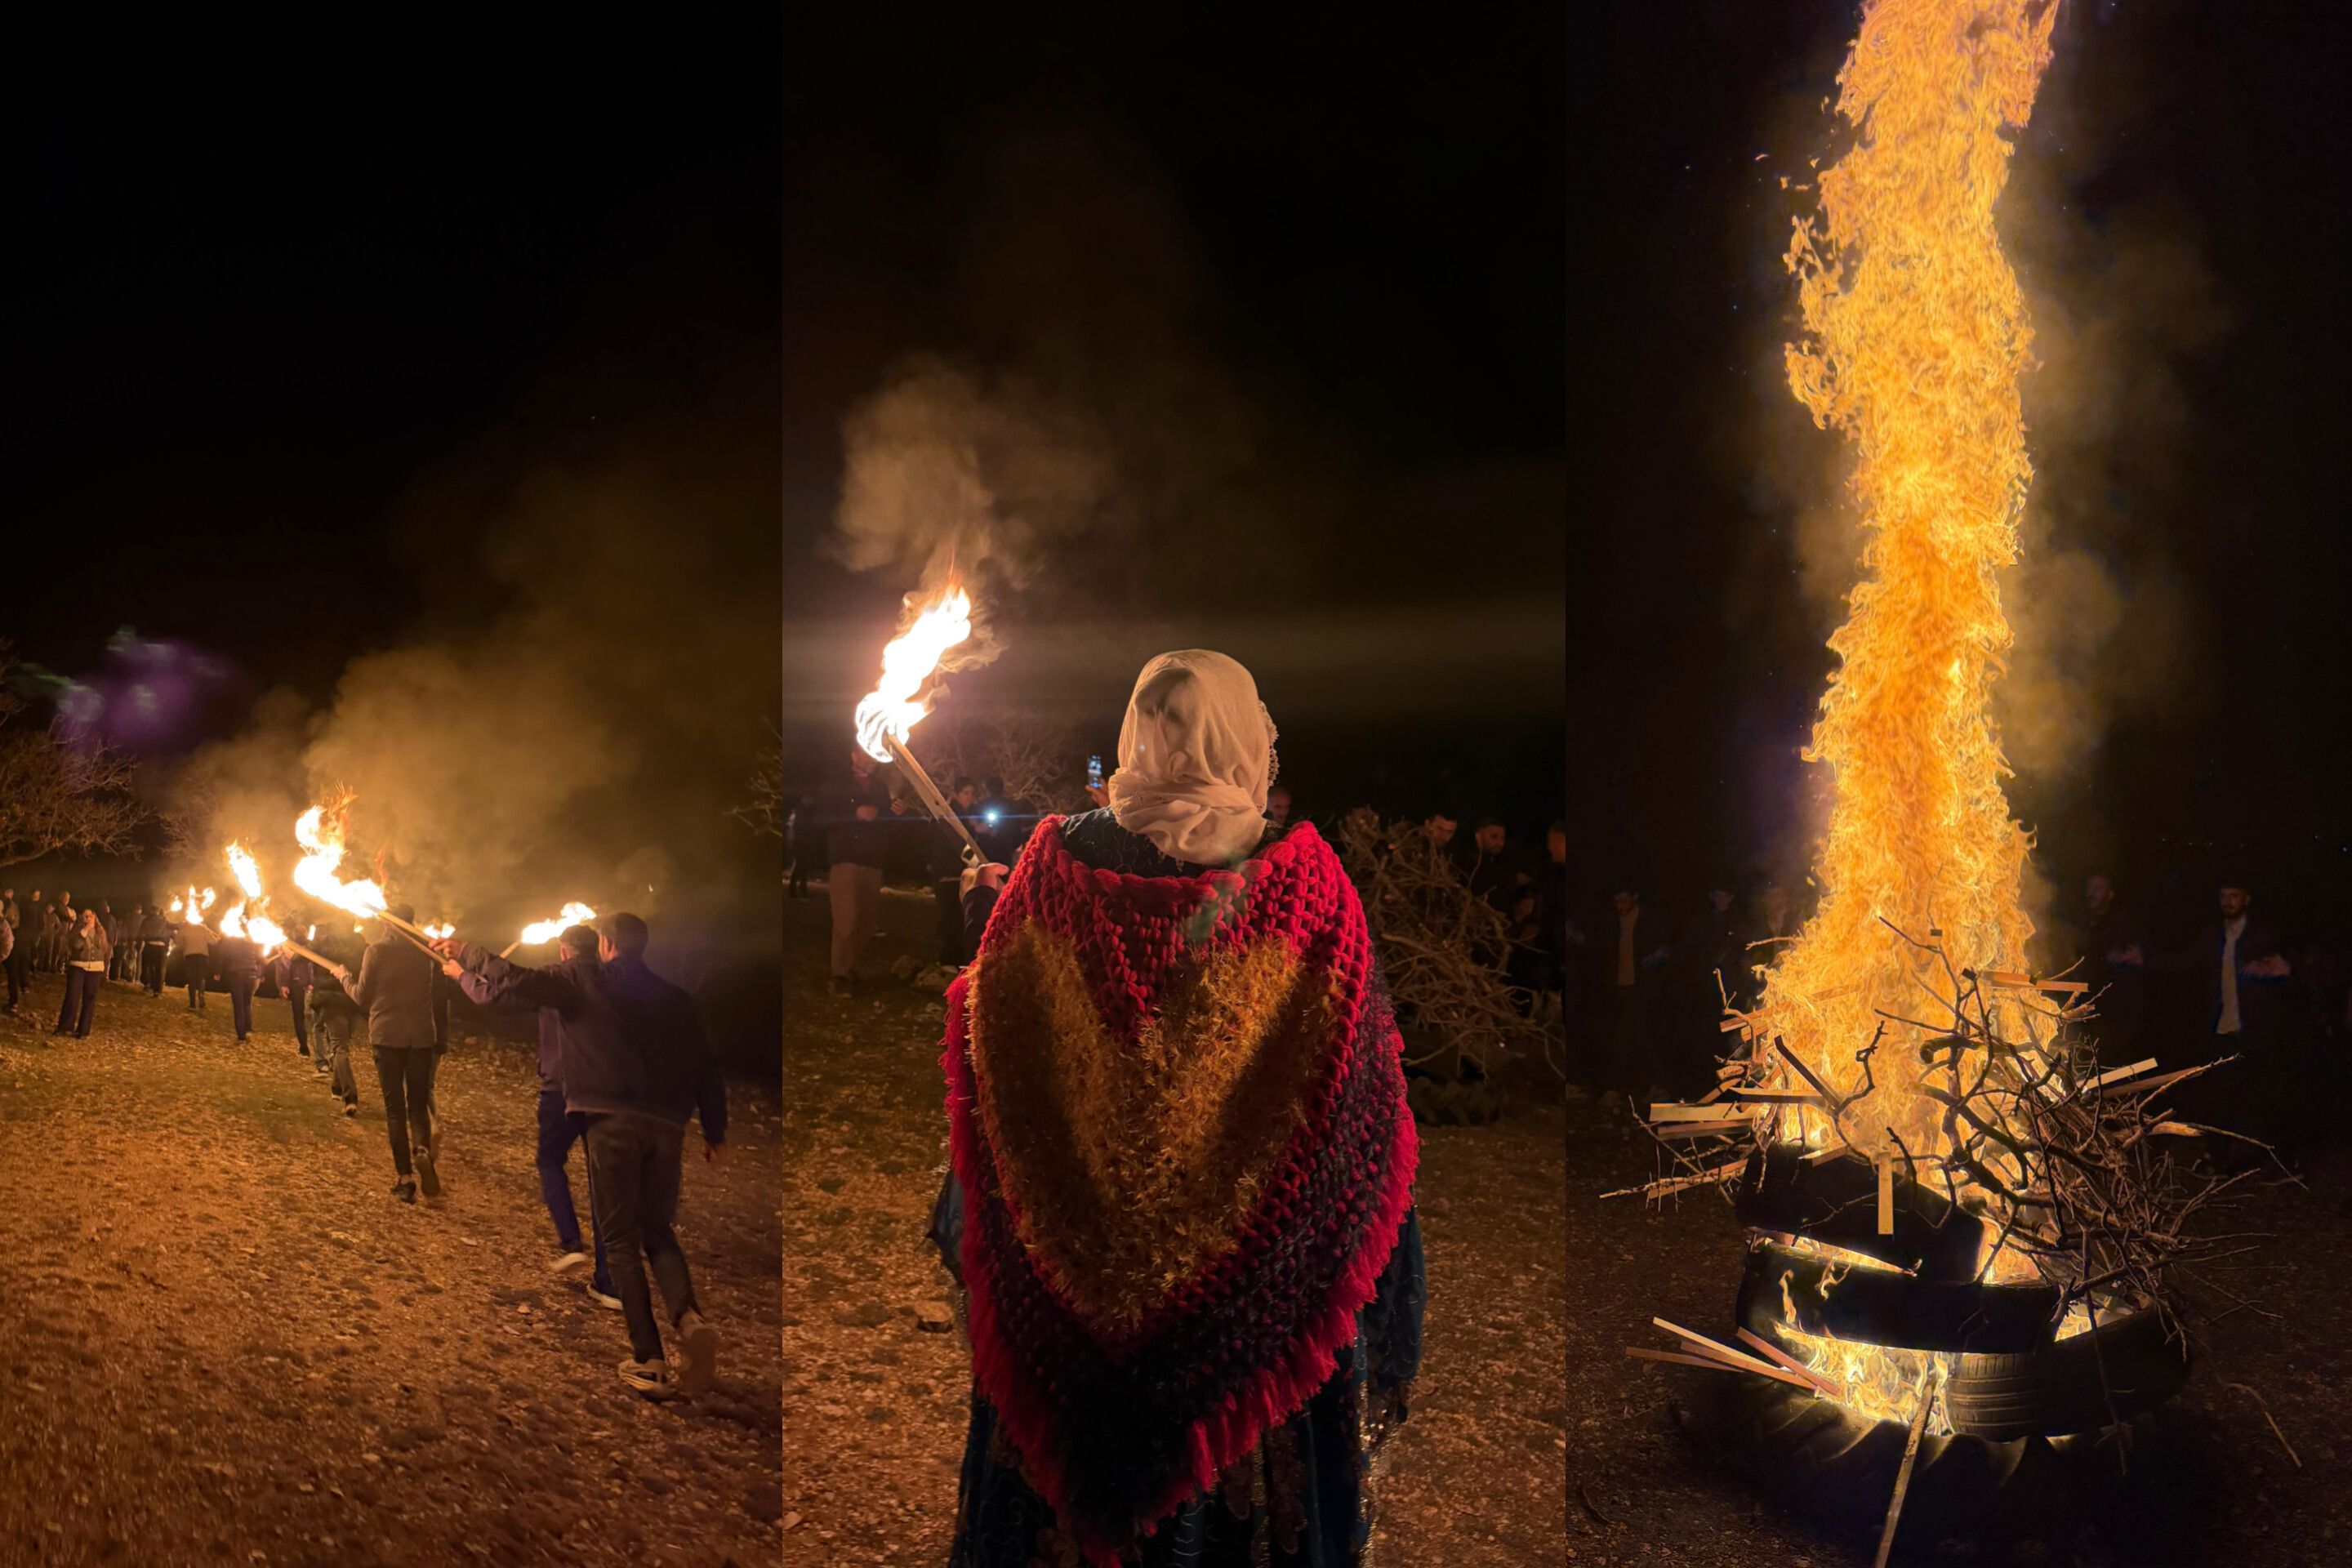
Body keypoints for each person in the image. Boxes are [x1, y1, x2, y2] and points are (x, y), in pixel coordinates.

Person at [932, 650, 1422, 1567]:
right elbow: (1363, 1092)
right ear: (1246, 739)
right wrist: (1394, 1318)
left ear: (1137, 733)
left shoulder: (1047, 864)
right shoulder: (1309, 880)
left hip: (1075, 1278)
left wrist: (984, 923)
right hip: (1260, 1297)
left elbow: (992, 1033)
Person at [440, 912, 726, 1399]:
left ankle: (649, 1360)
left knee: (618, 1241)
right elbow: (705, 1062)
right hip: (668, 1127)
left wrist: (463, 951)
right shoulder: (675, 997)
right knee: (656, 1231)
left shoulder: (580, 977)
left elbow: (512, 980)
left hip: (611, 1120)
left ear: (608, 944)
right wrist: (714, 1128)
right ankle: (688, 1317)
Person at [332, 907, 443, 1202]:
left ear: (387, 923)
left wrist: (344, 977)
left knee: (395, 1110)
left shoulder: (377, 951)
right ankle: (421, 1150)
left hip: (387, 1036)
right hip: (421, 1037)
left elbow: (361, 996)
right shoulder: (425, 953)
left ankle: (406, 1179)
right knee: (417, 1105)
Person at [826, 746, 895, 989]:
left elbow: (887, 819)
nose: (872, 760)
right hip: (846, 858)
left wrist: (889, 813)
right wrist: (854, 812)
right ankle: (839, 974)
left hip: (873, 860)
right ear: (854, 755)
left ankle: (850, 964)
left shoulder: (880, 788)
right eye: (867, 754)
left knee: (866, 921)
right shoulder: (839, 784)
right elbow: (825, 814)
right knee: (846, 917)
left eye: (875, 756)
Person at [307, 962, 364, 1117]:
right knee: (341, 1048)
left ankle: (343, 1092)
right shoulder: (327, 946)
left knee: (341, 1048)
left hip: (348, 1002)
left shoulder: (356, 946)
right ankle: (344, 1093)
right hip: (342, 1002)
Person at [54, 906, 111, 1039]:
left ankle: (83, 1030)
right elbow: (75, 945)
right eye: (85, 915)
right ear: (81, 917)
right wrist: (84, 931)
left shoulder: (100, 930)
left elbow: (104, 948)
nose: (88, 918)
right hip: (78, 966)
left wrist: (97, 932)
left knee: (89, 999)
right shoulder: (77, 929)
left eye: (90, 915)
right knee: (72, 997)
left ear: (94, 917)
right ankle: (65, 1027)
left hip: (95, 968)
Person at [217, 924, 263, 1044]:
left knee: (239, 1005)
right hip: (252, 973)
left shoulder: (232, 940)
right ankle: (248, 1030)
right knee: (247, 1002)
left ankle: (241, 1035)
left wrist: (218, 971)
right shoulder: (252, 941)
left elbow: (224, 954)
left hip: (237, 972)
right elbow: (259, 958)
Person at [270, 947, 315, 1058]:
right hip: (305, 986)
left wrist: (283, 984)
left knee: (300, 1018)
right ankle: (308, 1049)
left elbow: (285, 968)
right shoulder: (310, 948)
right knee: (309, 1018)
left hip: (300, 985)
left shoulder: (292, 952)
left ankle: (305, 1049)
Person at [172, 914, 215, 1012]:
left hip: (190, 956)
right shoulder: (203, 929)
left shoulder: (184, 929)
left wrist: (186, 945)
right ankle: (201, 994)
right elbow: (213, 942)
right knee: (201, 977)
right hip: (203, 956)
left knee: (191, 979)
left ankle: (192, 1004)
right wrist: (218, 937)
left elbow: (178, 942)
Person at [137, 904, 172, 996]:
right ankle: (157, 990)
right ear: (158, 911)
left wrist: (138, 946)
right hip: (161, 947)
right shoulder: (164, 920)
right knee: (159, 968)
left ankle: (147, 984)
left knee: (147, 966)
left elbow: (140, 933)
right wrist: (183, 923)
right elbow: (174, 927)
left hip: (149, 945)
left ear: (152, 911)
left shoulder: (146, 920)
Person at [2, 889, 22, 1014]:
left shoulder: (13, 907)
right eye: (7, 892)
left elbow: (7, 944)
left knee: (12, 973)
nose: (8, 894)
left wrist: (2, 956)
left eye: (10, 892)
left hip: (9, 944)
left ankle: (14, 1001)